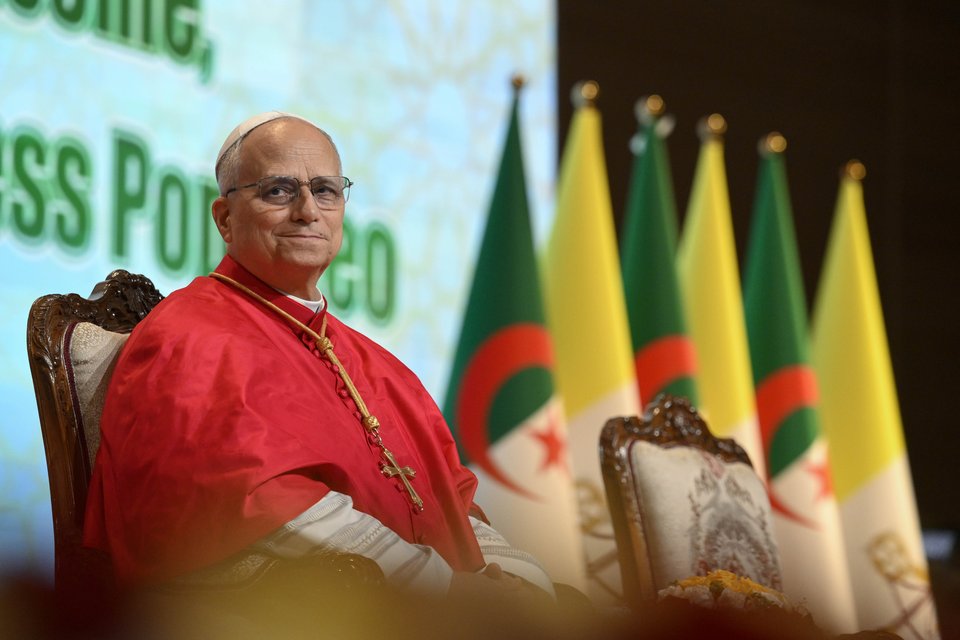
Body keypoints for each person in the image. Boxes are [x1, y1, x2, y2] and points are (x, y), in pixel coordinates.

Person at [82, 112, 553, 602]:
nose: (307, 211)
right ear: (225, 218)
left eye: (325, 190)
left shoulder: (379, 365)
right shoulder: (188, 336)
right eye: (278, 191)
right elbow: (253, 500)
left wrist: (518, 577)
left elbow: (450, 500)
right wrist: (444, 589)